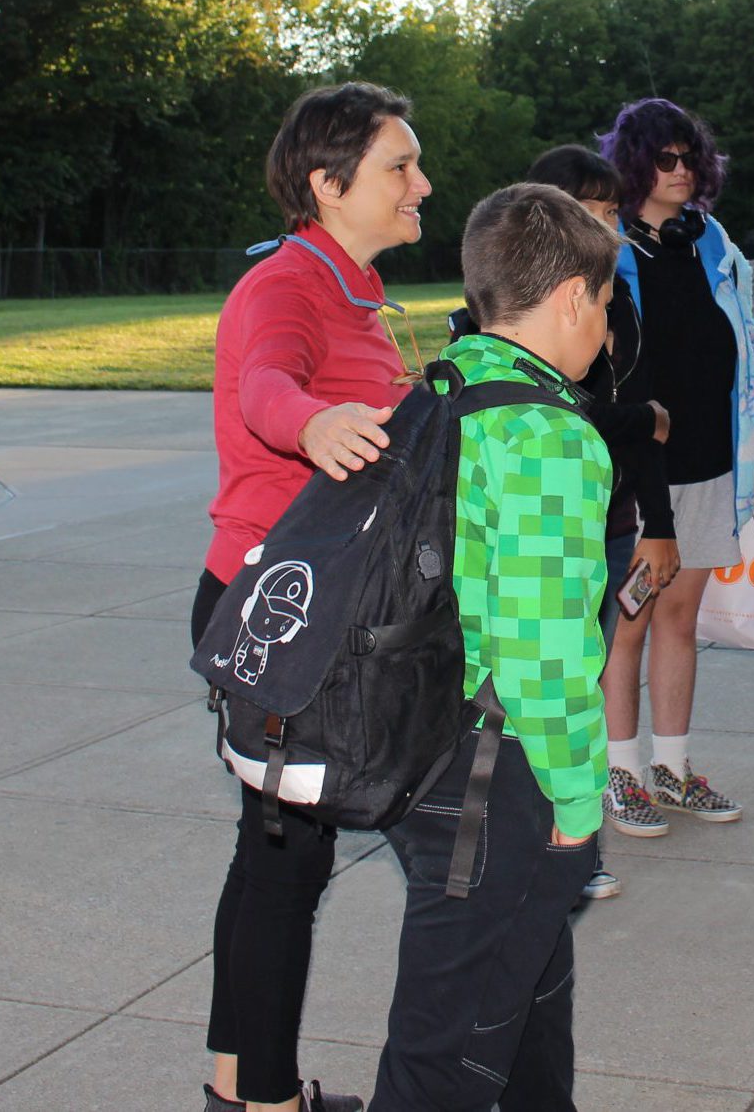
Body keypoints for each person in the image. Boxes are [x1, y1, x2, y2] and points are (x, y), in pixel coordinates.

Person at [196, 82, 431, 1112]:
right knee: (285, 863)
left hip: (305, 607)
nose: (421, 184)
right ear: (329, 184)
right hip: (279, 611)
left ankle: (235, 1088)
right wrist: (312, 424)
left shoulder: (355, 291)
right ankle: (267, 1102)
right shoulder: (287, 286)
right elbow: (263, 387)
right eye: (399, 166)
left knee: (272, 854)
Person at [369, 182, 620, 1112]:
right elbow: (545, 648)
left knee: (529, 996)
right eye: (604, 299)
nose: (605, 321)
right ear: (570, 299)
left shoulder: (441, 390)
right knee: (445, 1047)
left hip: (419, 741)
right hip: (496, 769)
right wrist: (575, 796)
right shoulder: (548, 436)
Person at [596, 98, 754, 835]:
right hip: (642, 477)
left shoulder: (710, 240)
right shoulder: (607, 247)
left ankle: (670, 766)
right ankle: (619, 772)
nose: (681, 171)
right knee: (627, 623)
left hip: (710, 463)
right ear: (636, 164)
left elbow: (747, 346)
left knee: (680, 617)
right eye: (665, 159)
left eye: (690, 157)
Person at [520, 144, 676, 902]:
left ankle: (576, 842)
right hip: (535, 531)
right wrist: (636, 416)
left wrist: (660, 525)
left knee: (583, 685)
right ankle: (538, 837)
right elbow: (550, 415)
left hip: (612, 526)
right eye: (596, 210)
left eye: (614, 212)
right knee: (531, 695)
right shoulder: (495, 308)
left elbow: (646, 437)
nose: (611, 225)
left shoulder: (624, 307)